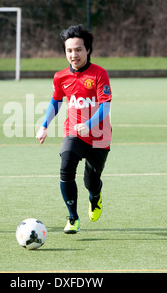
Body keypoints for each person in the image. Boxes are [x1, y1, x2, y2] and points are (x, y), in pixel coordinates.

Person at [35, 24, 112, 234]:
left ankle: (95, 197)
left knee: (91, 181)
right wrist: (44, 125)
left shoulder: (99, 74)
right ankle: (72, 217)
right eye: (69, 50)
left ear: (87, 50)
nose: (73, 54)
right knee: (66, 169)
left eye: (78, 49)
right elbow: (56, 102)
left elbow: (105, 107)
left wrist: (88, 125)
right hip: (74, 133)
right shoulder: (60, 76)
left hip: (99, 137)